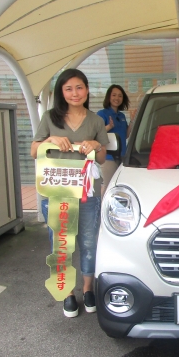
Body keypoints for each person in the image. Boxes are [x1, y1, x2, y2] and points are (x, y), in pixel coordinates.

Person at [31, 68, 108, 318]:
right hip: (56, 193)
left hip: (87, 193)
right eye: (68, 89)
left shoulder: (95, 121)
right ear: (61, 93)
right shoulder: (50, 118)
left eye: (79, 87)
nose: (75, 93)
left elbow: (102, 157)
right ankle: (67, 293)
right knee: (62, 244)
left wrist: (96, 145)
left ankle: (88, 289)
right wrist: (50, 140)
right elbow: (33, 150)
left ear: (87, 90)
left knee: (88, 242)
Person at [97, 84, 131, 193]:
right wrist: (109, 127)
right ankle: (103, 204)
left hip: (122, 156)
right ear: (109, 97)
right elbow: (96, 134)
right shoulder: (102, 114)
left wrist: (133, 120)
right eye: (114, 95)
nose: (117, 98)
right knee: (108, 185)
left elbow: (126, 135)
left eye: (120, 96)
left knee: (119, 186)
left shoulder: (121, 116)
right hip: (108, 157)